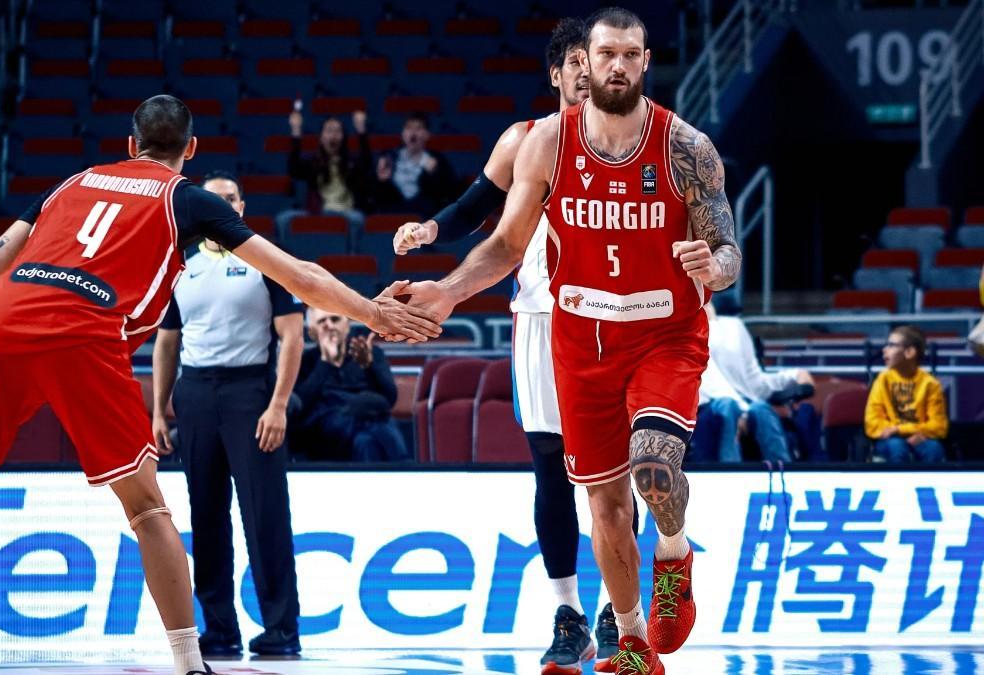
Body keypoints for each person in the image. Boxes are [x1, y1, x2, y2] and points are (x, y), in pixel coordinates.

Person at [0, 95, 441, 675]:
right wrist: (374, 312)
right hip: (87, 332)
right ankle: (190, 664)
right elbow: (299, 274)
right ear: (191, 149)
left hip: (5, 322)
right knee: (146, 507)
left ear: (130, 142)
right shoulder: (188, 199)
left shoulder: (74, 181)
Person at [394, 8, 742, 674]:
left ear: (645, 61)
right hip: (580, 340)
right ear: (583, 60)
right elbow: (503, 242)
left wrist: (714, 266)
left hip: (664, 334)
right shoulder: (547, 142)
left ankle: (675, 551)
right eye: (605, 53)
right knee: (602, 502)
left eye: (630, 54)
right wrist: (447, 290)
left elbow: (727, 249)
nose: (616, 65)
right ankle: (631, 638)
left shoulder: (685, 147)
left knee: (654, 464)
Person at [393, 17, 641, 674]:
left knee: (614, 475)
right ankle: (570, 614)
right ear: (559, 73)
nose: (591, 79)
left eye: (599, 66)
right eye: (579, 68)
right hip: (540, 318)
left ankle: (620, 609)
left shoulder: (631, 139)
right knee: (551, 467)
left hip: (613, 320)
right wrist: (429, 228)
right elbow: (479, 205)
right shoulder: (525, 140)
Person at [152, 170, 304, 657]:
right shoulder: (182, 265)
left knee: (265, 515)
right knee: (207, 515)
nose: (220, 205)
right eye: (211, 199)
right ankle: (219, 629)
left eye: (229, 198)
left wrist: (278, 403)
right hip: (195, 394)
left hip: (249, 392)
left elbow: (293, 336)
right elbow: (166, 342)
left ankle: (281, 629)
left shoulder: (266, 261)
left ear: (241, 207)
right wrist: (158, 409)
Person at [692, 302, 815, 463]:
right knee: (727, 407)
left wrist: (793, 375)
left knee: (761, 409)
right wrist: (742, 411)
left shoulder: (734, 327)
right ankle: (729, 475)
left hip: (741, 404)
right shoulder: (682, 333)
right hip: (705, 407)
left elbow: (755, 382)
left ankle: (784, 474)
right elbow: (706, 383)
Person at [292, 307, 409, 462]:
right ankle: (404, 465)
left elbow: (389, 399)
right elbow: (300, 406)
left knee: (366, 441)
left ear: (347, 325)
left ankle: (401, 469)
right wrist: (326, 363)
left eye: (335, 320)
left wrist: (369, 366)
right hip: (326, 426)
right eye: (322, 322)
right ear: (313, 333)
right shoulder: (304, 362)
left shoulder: (370, 353)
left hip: (368, 419)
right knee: (376, 430)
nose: (330, 326)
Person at [279, 109, 373, 234]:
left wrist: (361, 130)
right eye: (329, 131)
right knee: (283, 219)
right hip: (317, 212)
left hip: (346, 211)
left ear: (343, 136)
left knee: (358, 219)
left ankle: (353, 252)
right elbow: (293, 169)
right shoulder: (313, 162)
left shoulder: (351, 162)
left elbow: (366, 164)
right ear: (321, 137)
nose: (333, 135)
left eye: (337, 131)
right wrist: (296, 131)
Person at [865, 326, 948, 462]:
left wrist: (900, 430)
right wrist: (898, 434)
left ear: (909, 352)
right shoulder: (882, 380)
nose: (884, 350)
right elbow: (872, 423)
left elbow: (939, 426)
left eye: (891, 345)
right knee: (897, 447)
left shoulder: (930, 384)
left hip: (920, 437)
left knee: (933, 449)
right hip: (891, 440)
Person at [372, 112, 459, 216]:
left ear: (427, 134)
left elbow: (448, 194)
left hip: (424, 215)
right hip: (394, 213)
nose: (413, 133)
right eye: (408, 128)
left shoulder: (437, 161)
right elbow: (377, 195)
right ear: (403, 134)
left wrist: (433, 175)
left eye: (418, 128)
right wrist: (382, 181)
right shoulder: (389, 158)